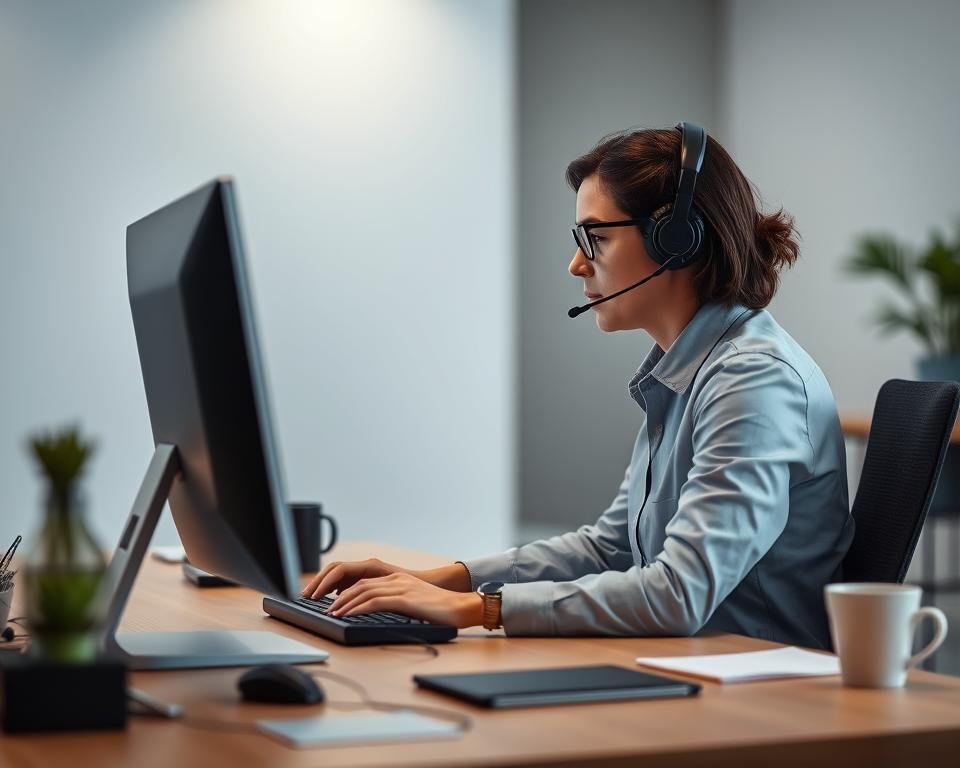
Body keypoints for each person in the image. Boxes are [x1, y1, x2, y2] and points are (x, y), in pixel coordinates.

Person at [302, 123, 854, 649]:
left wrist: (482, 609)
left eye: (594, 239)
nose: (575, 264)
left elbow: (680, 594)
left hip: (759, 694)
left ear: (677, 241)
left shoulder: (753, 380)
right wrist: (438, 581)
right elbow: (612, 547)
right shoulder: (690, 368)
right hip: (692, 666)